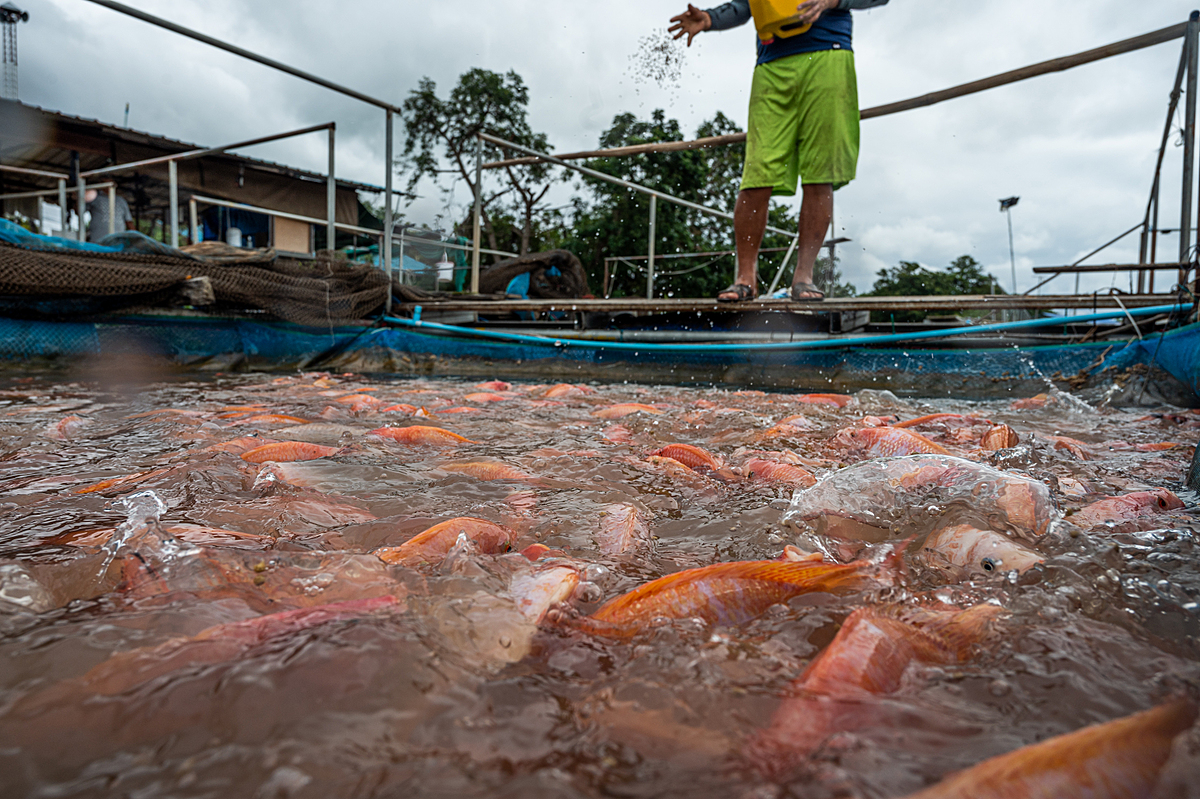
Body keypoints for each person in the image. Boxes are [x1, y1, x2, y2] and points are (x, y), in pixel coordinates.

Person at [669, 0, 888, 302]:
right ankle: (745, 278)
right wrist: (709, 18)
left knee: (819, 171)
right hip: (771, 64)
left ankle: (804, 277)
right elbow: (744, 5)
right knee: (757, 173)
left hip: (829, 54)